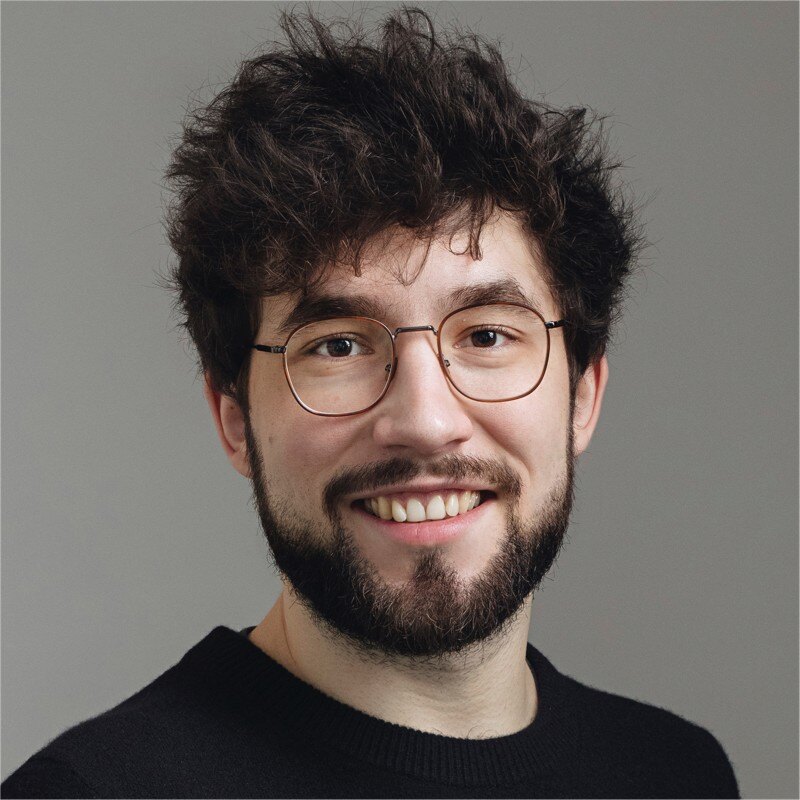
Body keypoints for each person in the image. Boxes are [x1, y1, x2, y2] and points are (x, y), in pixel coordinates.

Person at [2, 8, 740, 799]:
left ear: (583, 395)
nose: (425, 421)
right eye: (338, 347)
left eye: (488, 335)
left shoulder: (678, 773)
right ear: (233, 418)